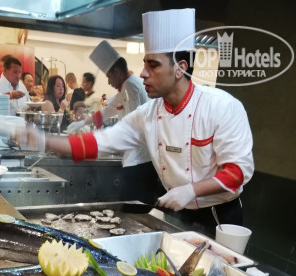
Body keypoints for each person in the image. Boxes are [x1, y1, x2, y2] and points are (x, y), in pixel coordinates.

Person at [14, 8, 253, 235]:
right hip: (176, 211)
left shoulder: (222, 107)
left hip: (218, 216)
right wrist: (44, 140)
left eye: (153, 65)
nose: (143, 73)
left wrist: (191, 190)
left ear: (180, 68)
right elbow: (99, 142)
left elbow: (237, 171)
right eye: (145, 63)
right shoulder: (148, 114)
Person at [68, 41, 156, 203]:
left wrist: (105, 140)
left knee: (134, 206)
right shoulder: (126, 86)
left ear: (117, 72)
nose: (109, 82)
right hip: (136, 159)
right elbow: (108, 110)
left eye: (109, 77)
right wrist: (83, 123)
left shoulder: (131, 87)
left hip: (139, 160)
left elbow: (132, 125)